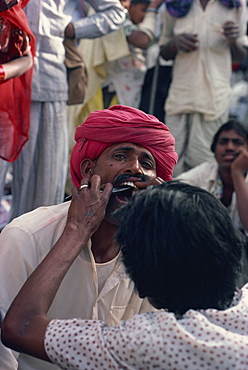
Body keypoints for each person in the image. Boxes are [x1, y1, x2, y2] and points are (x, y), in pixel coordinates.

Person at [0, 104, 178, 369]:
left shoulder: (152, 252)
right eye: (121, 156)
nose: (135, 170)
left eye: (146, 163)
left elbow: (154, 348)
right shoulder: (26, 237)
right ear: (87, 171)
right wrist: (78, 231)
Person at [1, 181, 248, 369]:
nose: (135, 173)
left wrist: (77, 229)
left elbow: (20, 328)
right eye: (120, 155)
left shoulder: (152, 342)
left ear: (144, 285)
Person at [1, 0, 125, 223]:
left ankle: (29, 251)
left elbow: (115, 12)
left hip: (45, 79)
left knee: (41, 187)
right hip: (5, 79)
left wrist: (72, 29)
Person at [159, 0, 247, 177]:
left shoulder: (235, 4)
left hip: (214, 99)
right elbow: (164, 51)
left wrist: (232, 41)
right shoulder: (174, 4)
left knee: (203, 164)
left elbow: (240, 56)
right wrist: (174, 43)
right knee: (169, 162)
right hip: (180, 96)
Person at [175, 120, 248, 286]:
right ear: (214, 150)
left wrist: (237, 173)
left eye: (238, 142)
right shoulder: (203, 173)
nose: (229, 147)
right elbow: (169, 192)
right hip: (202, 251)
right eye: (223, 142)